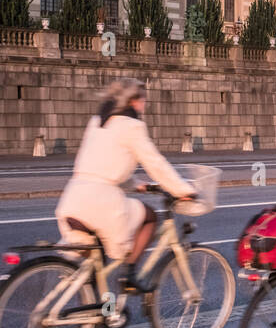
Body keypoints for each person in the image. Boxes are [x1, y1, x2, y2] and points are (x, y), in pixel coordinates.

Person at [55, 78, 196, 293]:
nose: (144, 104)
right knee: (149, 217)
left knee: (95, 262)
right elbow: (155, 163)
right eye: (143, 99)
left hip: (73, 198)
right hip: (101, 202)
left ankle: (98, 312)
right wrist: (184, 190)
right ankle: (129, 275)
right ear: (133, 100)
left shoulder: (98, 122)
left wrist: (136, 184)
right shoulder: (132, 125)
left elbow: (101, 164)